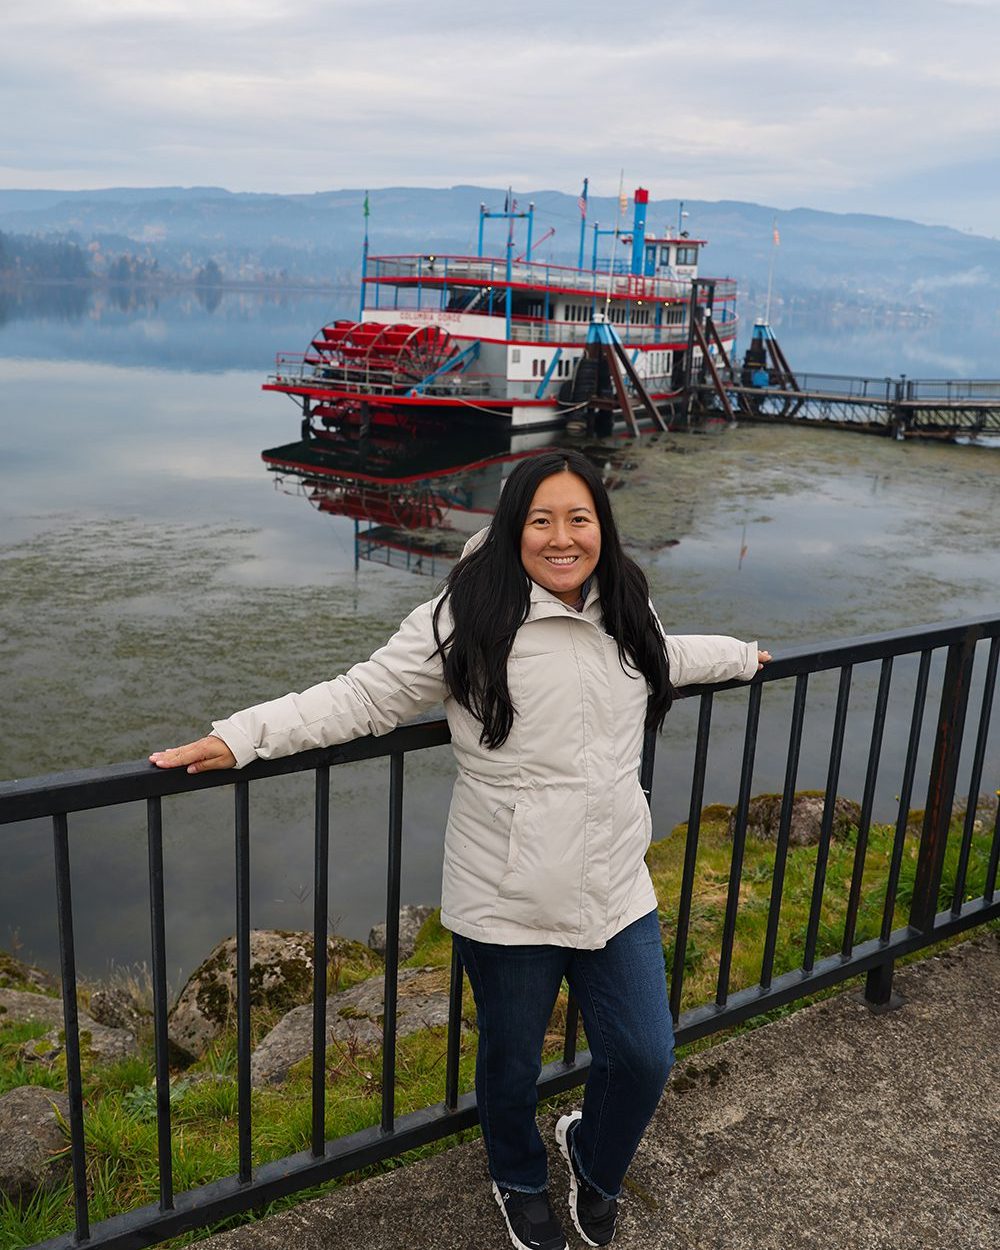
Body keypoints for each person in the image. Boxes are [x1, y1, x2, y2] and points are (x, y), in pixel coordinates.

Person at [151, 450, 769, 1250]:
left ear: (601, 529)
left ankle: (590, 1152)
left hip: (617, 884)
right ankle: (516, 1178)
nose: (561, 538)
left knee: (646, 1056)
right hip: (507, 896)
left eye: (578, 519)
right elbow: (364, 697)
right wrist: (240, 737)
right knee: (510, 1069)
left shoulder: (624, 604)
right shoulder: (465, 618)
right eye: (540, 520)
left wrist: (741, 656)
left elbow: (665, 659)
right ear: (513, 526)